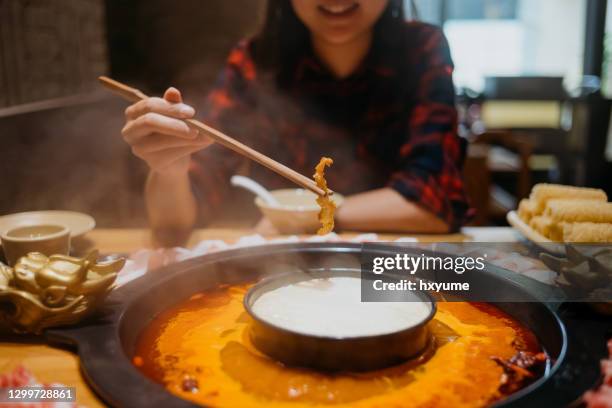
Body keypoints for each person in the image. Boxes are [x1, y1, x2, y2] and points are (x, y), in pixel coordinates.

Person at [121, 0, 471, 243]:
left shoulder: (421, 48)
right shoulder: (256, 60)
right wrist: (169, 168)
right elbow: (175, 225)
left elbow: (434, 204)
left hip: (390, 273)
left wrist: (307, 213)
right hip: (278, 269)